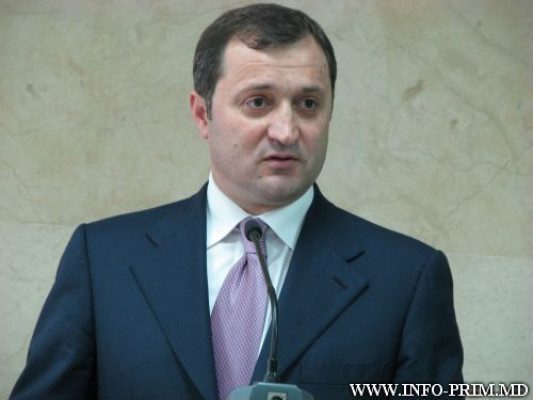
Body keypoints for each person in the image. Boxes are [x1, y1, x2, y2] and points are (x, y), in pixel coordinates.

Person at [10, 3, 463, 400]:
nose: (286, 131)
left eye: (308, 104)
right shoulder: (103, 259)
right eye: (258, 102)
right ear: (202, 114)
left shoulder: (408, 279)